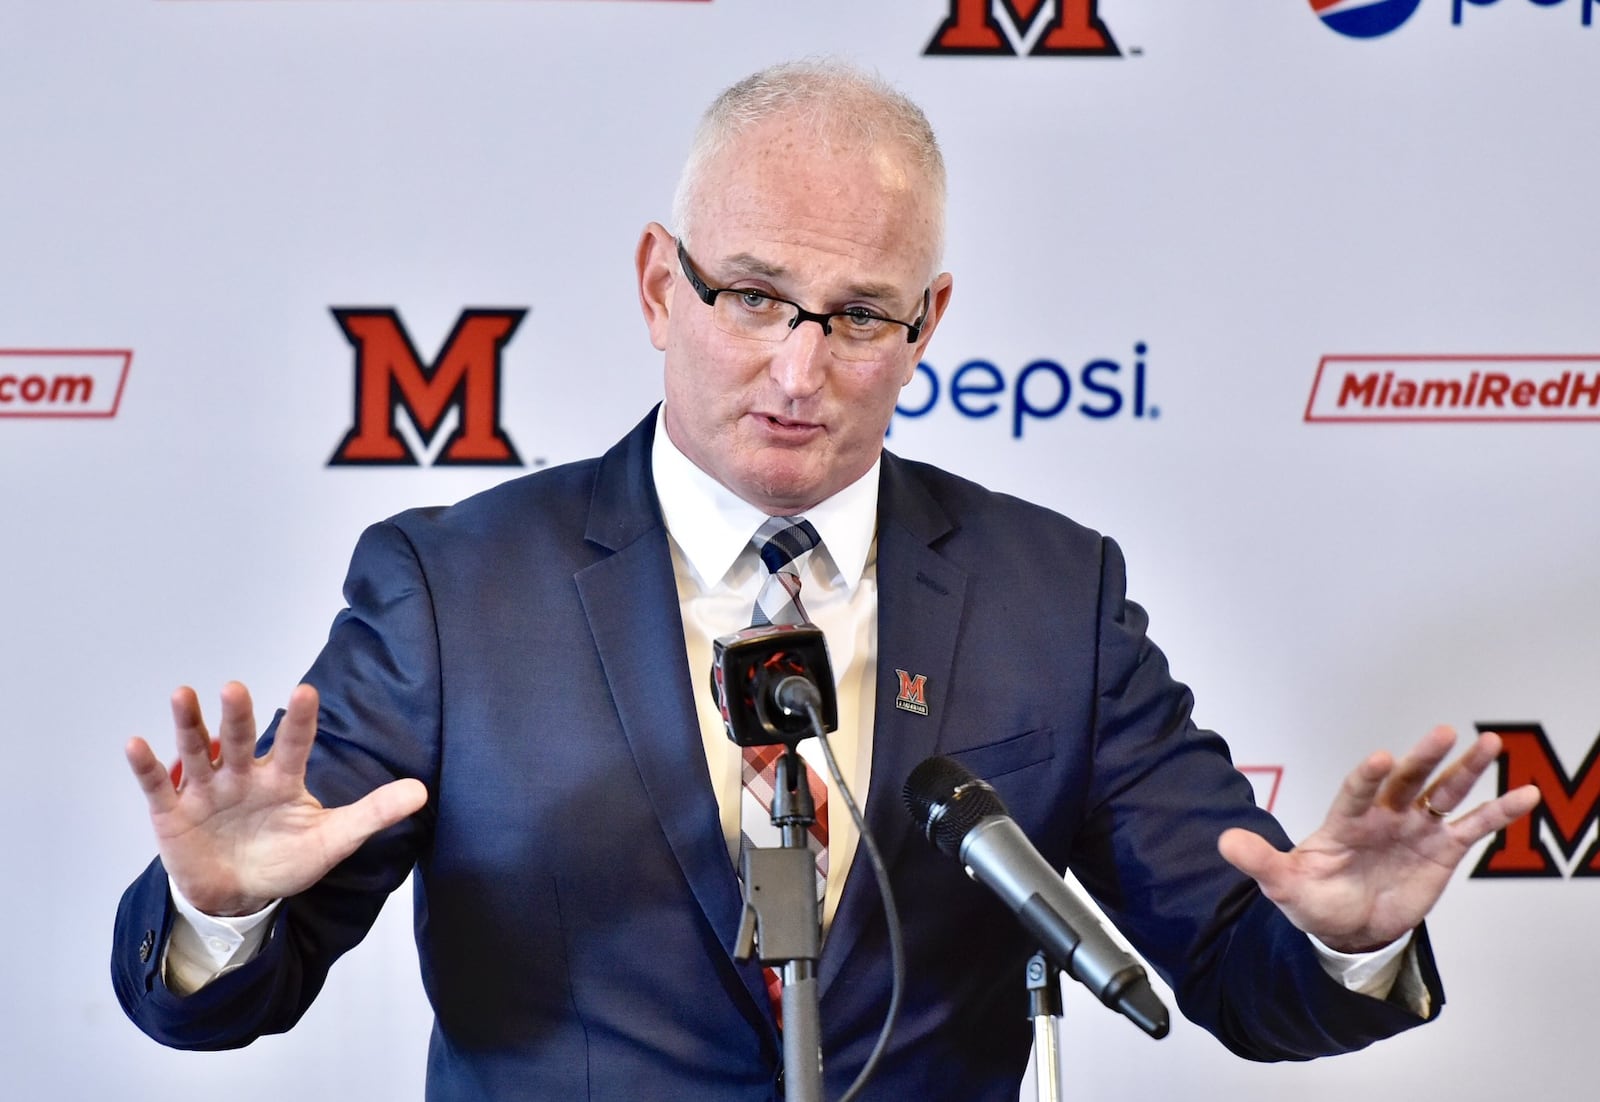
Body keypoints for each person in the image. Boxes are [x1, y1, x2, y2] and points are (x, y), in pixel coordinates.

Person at [113, 60, 1539, 1101]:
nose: (800, 370)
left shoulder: (1057, 594)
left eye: (860, 316)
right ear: (659, 284)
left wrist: (1351, 938)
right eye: (751, 296)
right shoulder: (453, 586)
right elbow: (234, 995)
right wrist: (223, 910)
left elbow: (1240, 969)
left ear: (932, 322)